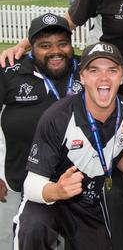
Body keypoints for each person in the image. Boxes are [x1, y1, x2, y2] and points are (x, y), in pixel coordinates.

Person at [14, 42, 123, 250]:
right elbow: (31, 185)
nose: (103, 78)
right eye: (94, 70)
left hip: (88, 203)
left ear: (121, 77)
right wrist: (57, 190)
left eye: (112, 70)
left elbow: (116, 159)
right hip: (51, 199)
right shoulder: (58, 118)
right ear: (82, 77)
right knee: (34, 225)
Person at [0, 14, 81, 247]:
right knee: (11, 240)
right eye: (45, 46)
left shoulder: (86, 70)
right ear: (30, 48)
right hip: (15, 181)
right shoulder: (9, 72)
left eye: (62, 43)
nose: (55, 51)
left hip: (72, 181)